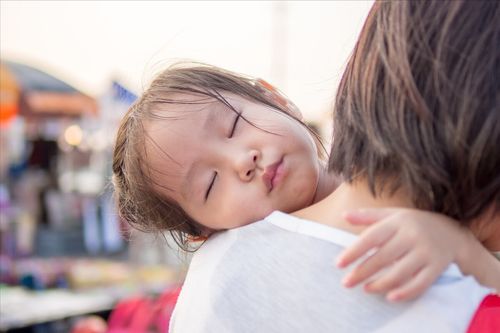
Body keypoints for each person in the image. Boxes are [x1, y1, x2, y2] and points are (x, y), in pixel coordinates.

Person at [166, 0, 500, 332]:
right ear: (204, 233)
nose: (244, 162)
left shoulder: (209, 280)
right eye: (210, 184)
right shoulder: (462, 307)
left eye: (235, 125)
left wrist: (466, 252)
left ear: (275, 98)